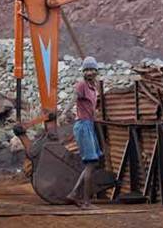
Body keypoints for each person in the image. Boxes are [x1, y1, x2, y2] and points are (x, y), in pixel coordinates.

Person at [64, 56, 103, 209]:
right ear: (83, 72)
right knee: (91, 162)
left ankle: (74, 194)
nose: (89, 72)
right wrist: (64, 113)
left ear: (96, 71)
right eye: (86, 70)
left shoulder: (94, 89)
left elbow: (93, 107)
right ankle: (86, 202)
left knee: (93, 162)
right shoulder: (82, 86)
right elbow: (73, 99)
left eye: (92, 69)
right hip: (83, 125)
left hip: (89, 125)